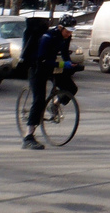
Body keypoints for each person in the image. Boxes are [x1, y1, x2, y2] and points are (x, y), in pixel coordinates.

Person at [23, 14, 79, 150]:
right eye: (67, 31)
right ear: (60, 27)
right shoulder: (47, 37)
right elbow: (42, 59)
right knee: (39, 100)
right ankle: (28, 137)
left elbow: (64, 53)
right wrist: (61, 65)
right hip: (37, 68)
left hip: (50, 67)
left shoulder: (66, 36)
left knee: (71, 88)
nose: (69, 34)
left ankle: (54, 104)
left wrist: (69, 64)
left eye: (71, 31)